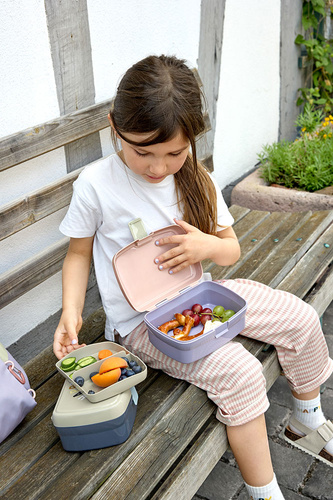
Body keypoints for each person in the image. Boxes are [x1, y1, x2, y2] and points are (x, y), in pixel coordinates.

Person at [53, 55, 333, 499]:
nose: (159, 168)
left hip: (201, 295)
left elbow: (231, 248)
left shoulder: (195, 177)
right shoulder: (96, 184)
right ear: (113, 127)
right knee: (240, 372)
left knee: (297, 316)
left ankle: (307, 418)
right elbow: (78, 253)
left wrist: (207, 246)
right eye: (142, 151)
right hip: (143, 327)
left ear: (192, 141)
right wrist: (69, 314)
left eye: (175, 153)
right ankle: (265, 494)